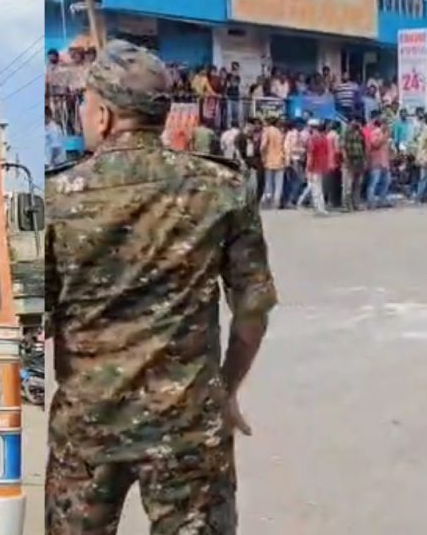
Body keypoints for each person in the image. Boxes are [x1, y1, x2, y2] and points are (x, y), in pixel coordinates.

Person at [45, 39, 278, 535]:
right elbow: (254, 307)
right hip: (188, 424)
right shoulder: (220, 187)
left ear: (104, 115)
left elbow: (31, 319)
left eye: (86, 104)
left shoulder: (55, 199)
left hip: (88, 428)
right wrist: (226, 387)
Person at [340, 116, 367, 212]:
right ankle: (345, 205)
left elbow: (364, 147)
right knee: (347, 185)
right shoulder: (345, 133)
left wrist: (364, 160)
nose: (357, 123)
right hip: (349, 161)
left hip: (359, 161)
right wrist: (346, 159)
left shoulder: (360, 133)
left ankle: (356, 204)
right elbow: (342, 148)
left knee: (357, 185)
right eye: (355, 121)